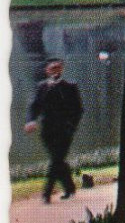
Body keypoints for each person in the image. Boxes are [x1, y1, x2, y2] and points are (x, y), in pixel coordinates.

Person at [26, 57, 83, 204]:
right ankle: (70, 188)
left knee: (56, 160)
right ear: (47, 70)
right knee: (58, 160)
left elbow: (78, 110)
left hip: (64, 131)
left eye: (58, 68)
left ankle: (46, 193)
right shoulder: (41, 87)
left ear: (62, 69)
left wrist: (71, 127)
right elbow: (34, 106)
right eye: (52, 68)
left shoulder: (70, 86)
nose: (55, 71)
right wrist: (31, 120)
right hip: (47, 131)